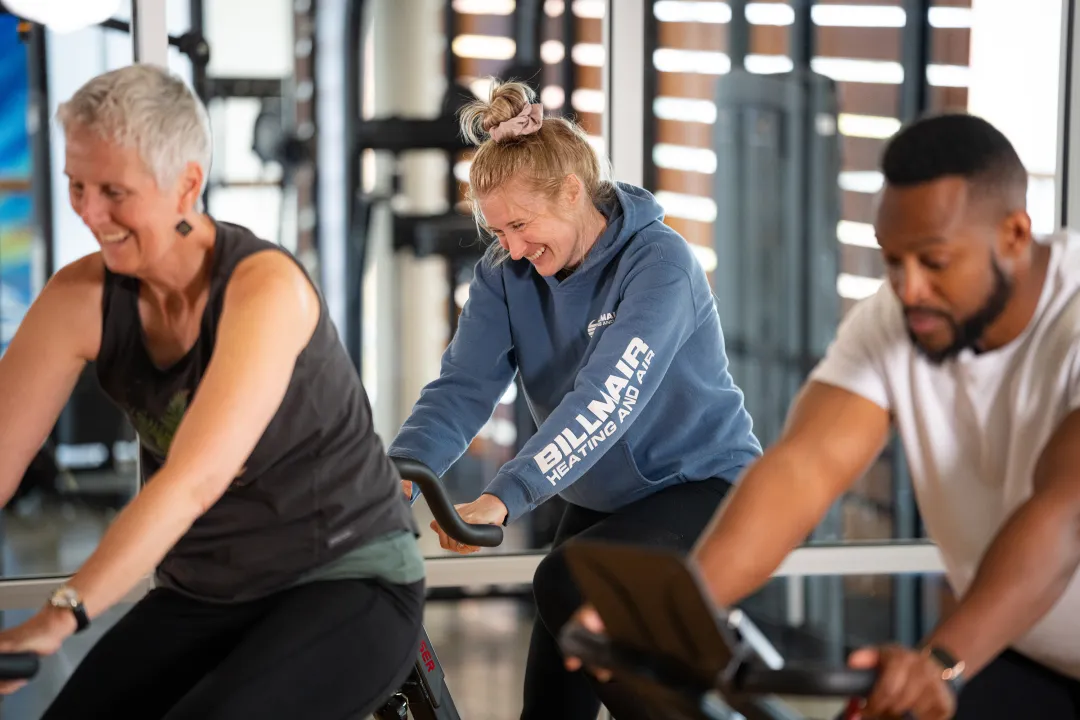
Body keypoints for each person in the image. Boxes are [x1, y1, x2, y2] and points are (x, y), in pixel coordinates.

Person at [571, 113, 1080, 719]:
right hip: (1023, 649)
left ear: (1016, 235)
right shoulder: (896, 320)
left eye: (934, 261)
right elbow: (803, 470)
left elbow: (1064, 517)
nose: (909, 287)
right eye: (893, 261)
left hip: (997, 637)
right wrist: (674, 616)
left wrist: (940, 661)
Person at [0, 64, 425, 719]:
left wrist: (61, 615)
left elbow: (192, 483)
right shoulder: (80, 298)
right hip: (206, 592)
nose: (88, 213)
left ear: (186, 185)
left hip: (345, 578)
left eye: (113, 190)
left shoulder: (263, 290)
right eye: (77, 186)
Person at [386, 78, 762, 720]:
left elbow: (607, 399)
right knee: (553, 699)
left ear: (571, 192)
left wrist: (506, 494)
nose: (512, 248)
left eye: (521, 225)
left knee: (563, 580)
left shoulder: (659, 264)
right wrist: (401, 472)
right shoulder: (505, 276)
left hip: (700, 489)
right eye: (498, 230)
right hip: (603, 500)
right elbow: (463, 387)